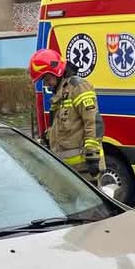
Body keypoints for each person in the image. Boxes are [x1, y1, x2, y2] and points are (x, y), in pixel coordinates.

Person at [28, 49, 104, 184]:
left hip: (84, 168)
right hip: (67, 170)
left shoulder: (78, 87)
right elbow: (59, 127)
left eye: (46, 79)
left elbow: (93, 122)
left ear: (56, 72)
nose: (46, 84)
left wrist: (92, 156)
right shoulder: (59, 94)